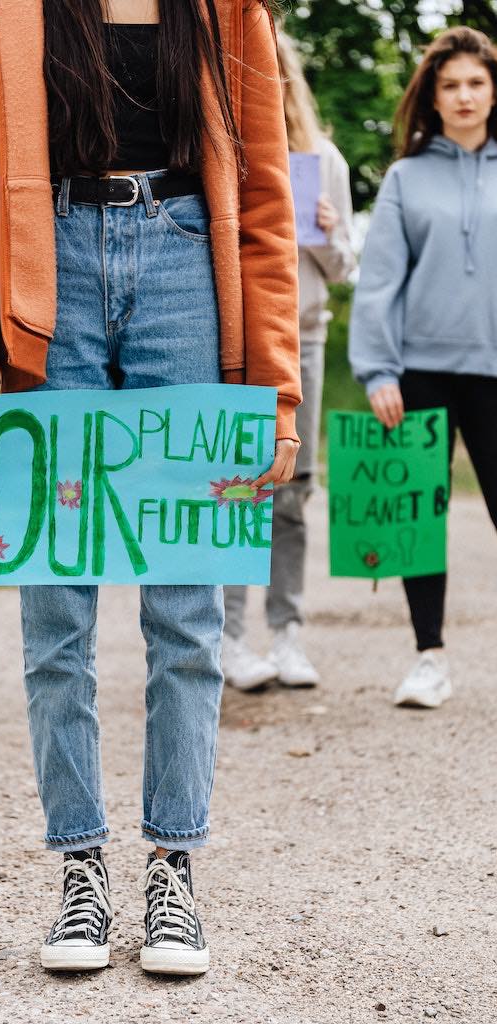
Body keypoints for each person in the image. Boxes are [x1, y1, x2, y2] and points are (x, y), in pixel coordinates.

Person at [0, 0, 301, 976]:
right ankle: (80, 867)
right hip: (48, 271)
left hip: (189, 270)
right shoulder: (3, 10)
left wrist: (273, 390)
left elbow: (265, 203)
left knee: (186, 611)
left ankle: (174, 864)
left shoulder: (231, 12)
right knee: (54, 611)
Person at [349, 26, 497, 709]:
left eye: (474, 82)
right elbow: (379, 281)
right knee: (419, 518)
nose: (463, 96)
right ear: (432, 98)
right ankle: (428, 657)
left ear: (492, 91)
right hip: (420, 373)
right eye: (450, 85)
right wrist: (378, 370)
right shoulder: (406, 178)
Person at [223, 29, 356, 692]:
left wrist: (331, 232)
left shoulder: (319, 157)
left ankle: (287, 634)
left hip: (300, 338)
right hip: (226, 341)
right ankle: (227, 637)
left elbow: (343, 267)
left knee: (290, 493)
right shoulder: (219, 150)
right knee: (229, 486)